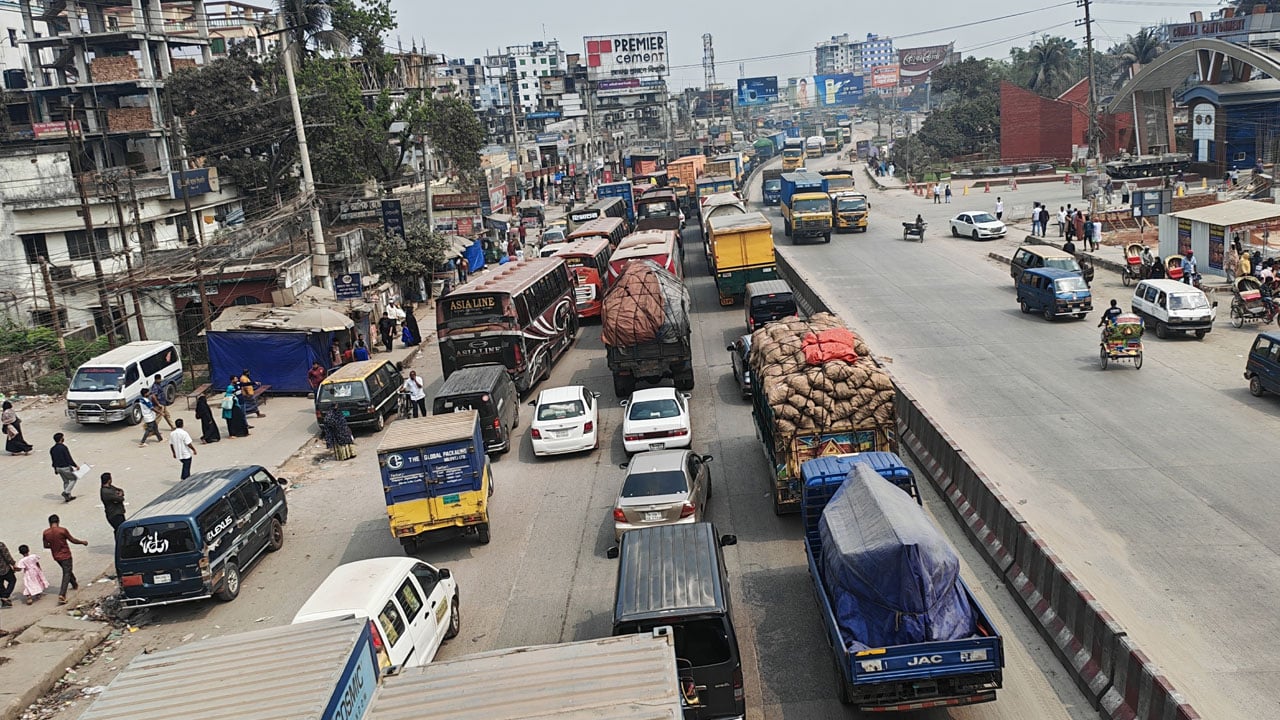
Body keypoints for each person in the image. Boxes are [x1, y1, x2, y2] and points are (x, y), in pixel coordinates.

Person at [42, 514, 86, 605]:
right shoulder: (62, 530)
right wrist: (82, 542)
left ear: (49, 523)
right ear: (58, 521)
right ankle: (62, 594)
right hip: (66, 555)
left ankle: (74, 584)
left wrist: (54, 546)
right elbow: (72, 540)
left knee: (67, 570)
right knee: (66, 572)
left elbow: (46, 545)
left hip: (56, 556)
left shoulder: (46, 533)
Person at [49, 432, 78, 502]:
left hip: (58, 468)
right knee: (74, 479)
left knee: (65, 481)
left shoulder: (52, 449)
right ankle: (66, 492)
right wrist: (75, 465)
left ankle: (68, 497)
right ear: (61, 439)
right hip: (65, 467)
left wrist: (55, 469)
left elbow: (53, 460)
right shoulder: (63, 447)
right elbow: (68, 458)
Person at [0, 540, 15, 607]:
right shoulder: (0, 544)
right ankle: (5, 597)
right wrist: (13, 563)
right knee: (12, 580)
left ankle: (4, 600)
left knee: (0, 586)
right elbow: (7, 556)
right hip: (3, 568)